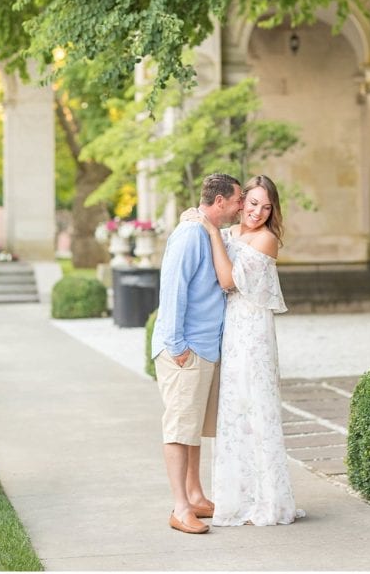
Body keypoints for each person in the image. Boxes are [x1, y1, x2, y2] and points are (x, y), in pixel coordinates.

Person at [183, 174, 303, 526]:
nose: (258, 213)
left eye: (266, 207)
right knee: (232, 411)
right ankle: (236, 497)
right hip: (230, 331)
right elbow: (205, 233)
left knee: (256, 407)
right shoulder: (230, 234)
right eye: (252, 204)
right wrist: (196, 222)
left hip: (253, 333)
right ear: (240, 202)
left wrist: (210, 233)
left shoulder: (266, 240)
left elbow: (227, 280)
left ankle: (267, 499)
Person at [152, 173, 244, 534]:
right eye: (238, 200)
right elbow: (173, 289)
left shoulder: (210, 231)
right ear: (220, 201)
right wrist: (177, 347)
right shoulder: (191, 234)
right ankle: (179, 508)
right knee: (178, 428)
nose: (241, 206)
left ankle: (195, 496)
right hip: (186, 348)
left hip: (203, 347)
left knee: (192, 429)